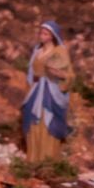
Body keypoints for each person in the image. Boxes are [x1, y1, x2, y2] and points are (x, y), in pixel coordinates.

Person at [21, 20, 73, 163]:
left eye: (45, 33)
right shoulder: (37, 51)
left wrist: (58, 74)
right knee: (32, 122)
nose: (42, 36)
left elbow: (69, 75)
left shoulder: (60, 52)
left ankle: (48, 161)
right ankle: (33, 159)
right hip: (36, 90)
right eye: (41, 33)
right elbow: (31, 72)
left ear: (52, 36)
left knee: (48, 122)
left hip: (50, 92)